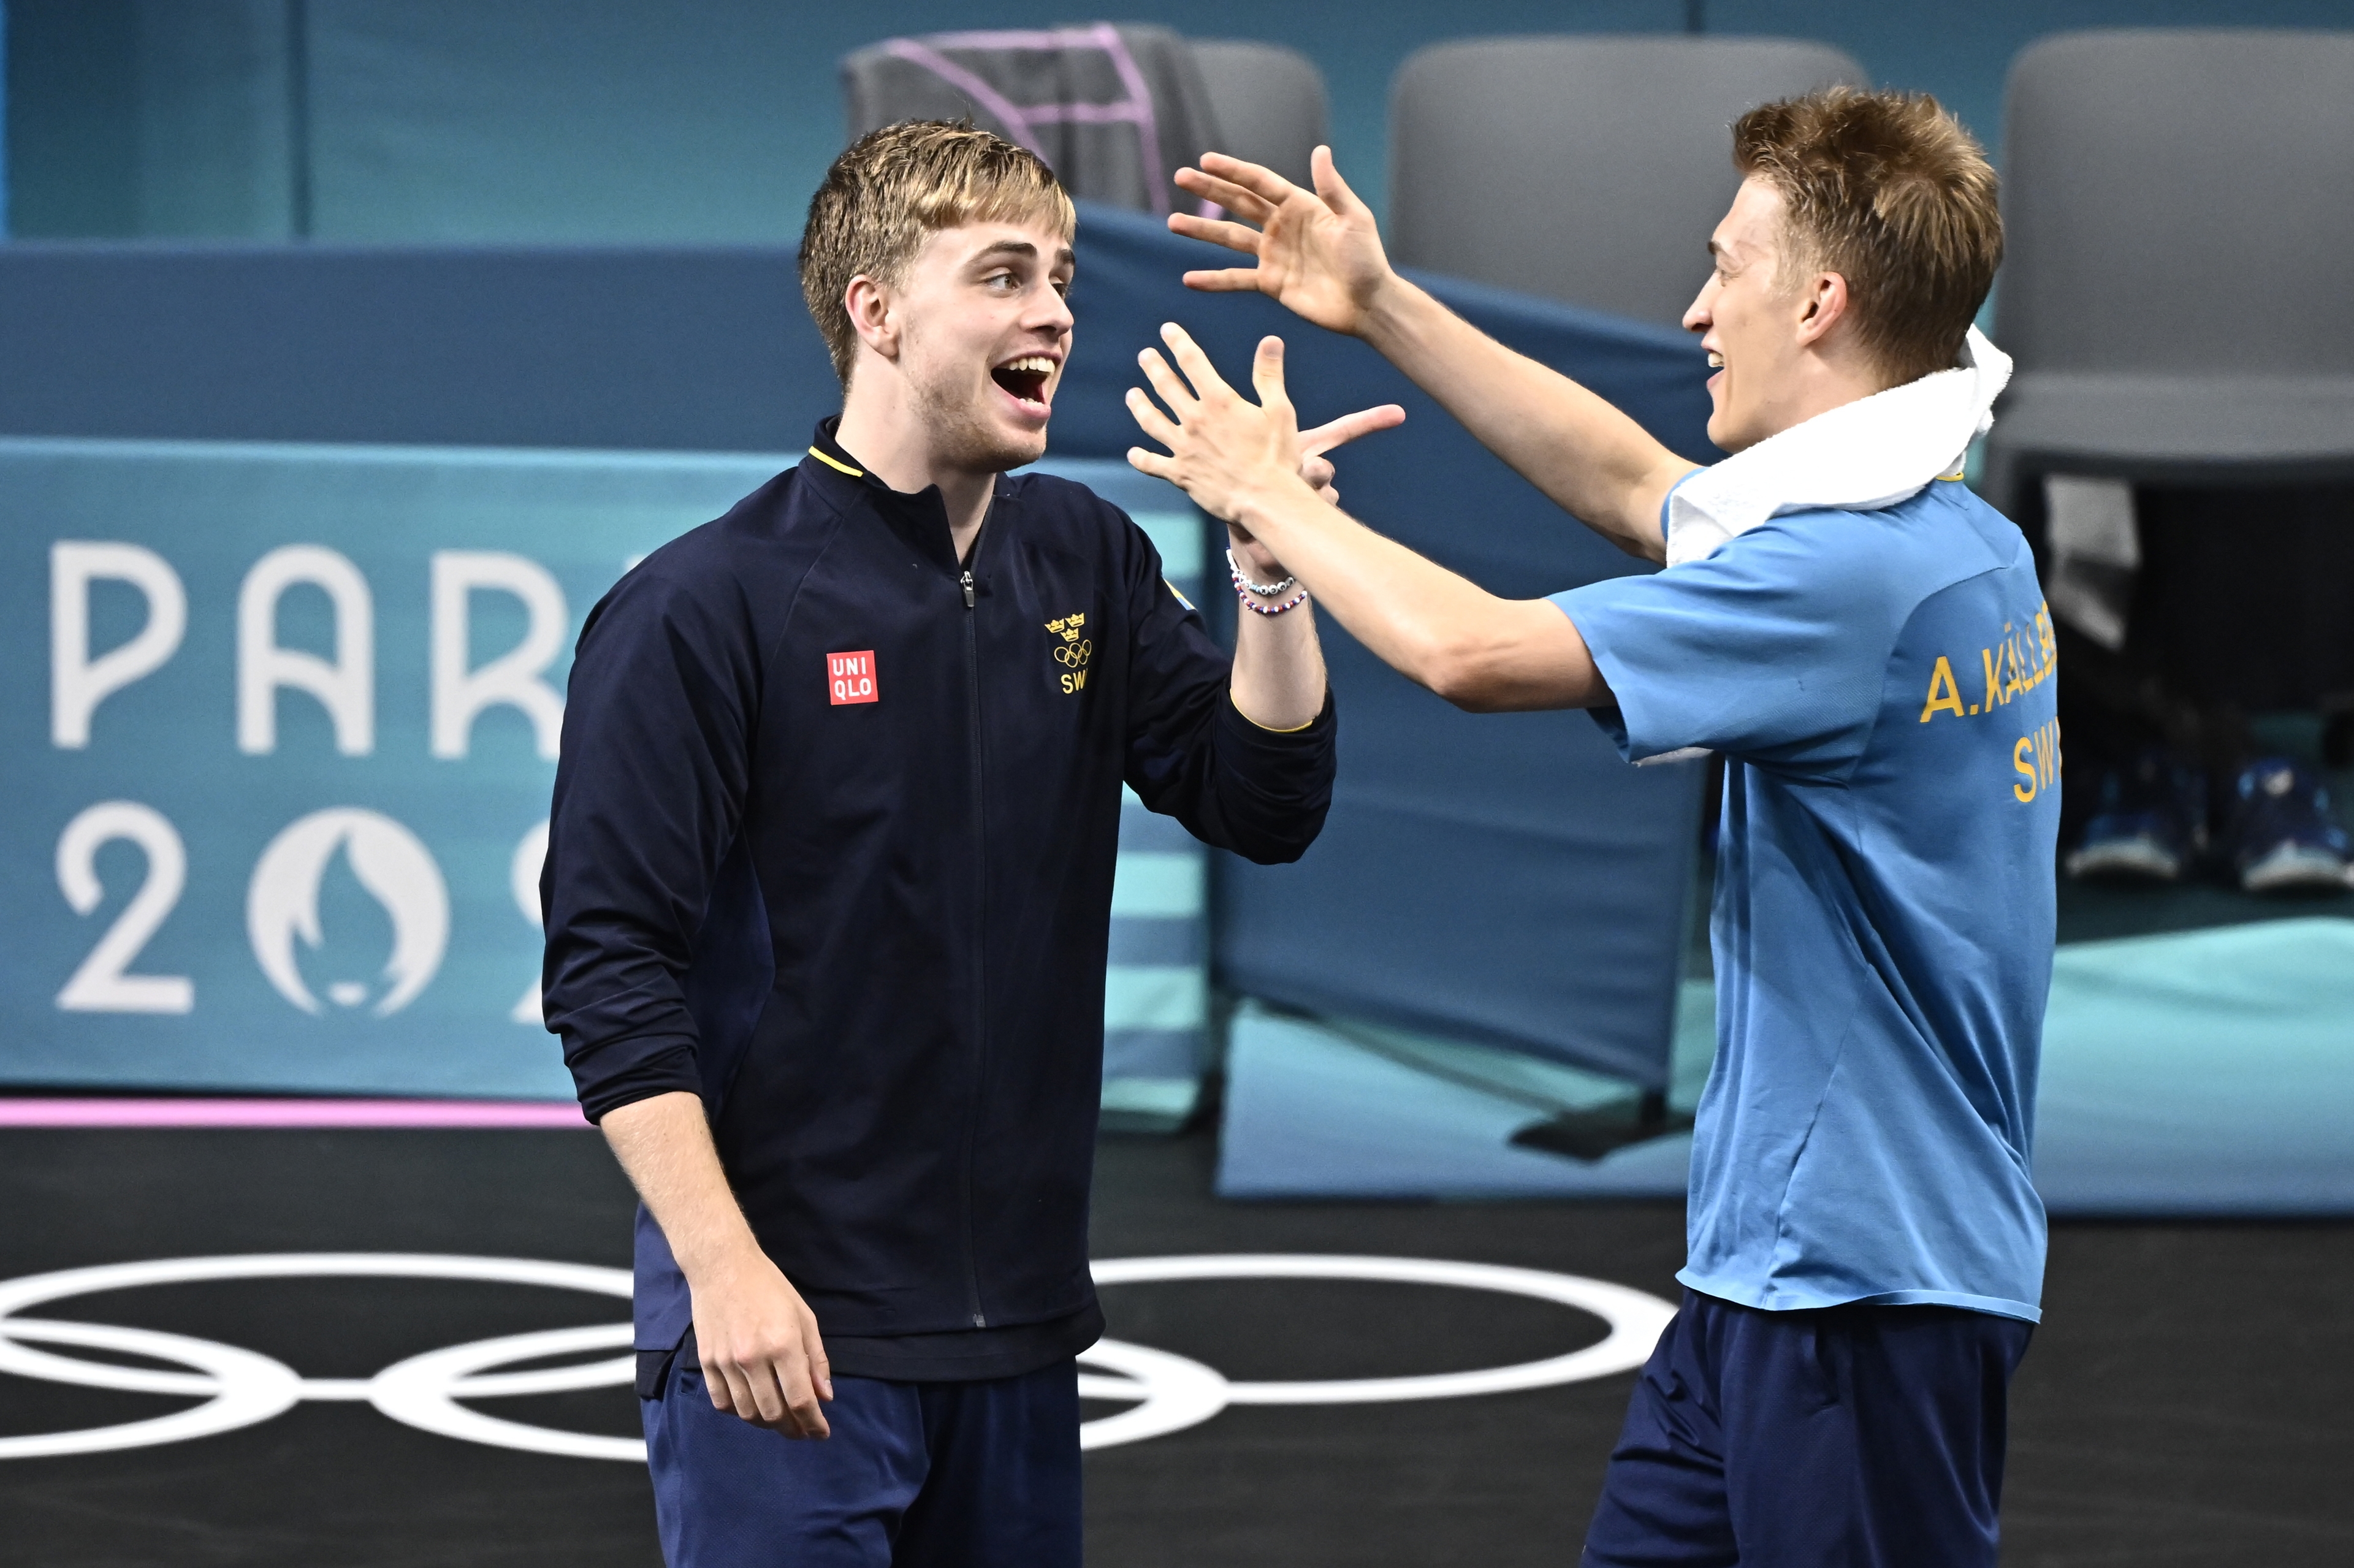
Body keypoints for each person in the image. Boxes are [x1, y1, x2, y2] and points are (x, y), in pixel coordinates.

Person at [1127, 89, 2051, 1566]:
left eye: (1725, 270)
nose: (1695, 311)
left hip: (1871, 1292)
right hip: (1771, 1276)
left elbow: (1472, 655)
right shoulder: (1950, 536)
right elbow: (1634, 489)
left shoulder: (1843, 586)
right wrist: (1378, 304)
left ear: (1820, 302)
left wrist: (1264, 502)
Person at [540, 120, 1393, 1567]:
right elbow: (608, 975)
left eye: (1059, 275)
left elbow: (1265, 801)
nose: (1055, 310)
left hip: (1018, 1336)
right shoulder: (703, 608)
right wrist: (723, 1269)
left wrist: (1269, 568)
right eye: (1003, 275)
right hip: (788, 1335)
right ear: (873, 312)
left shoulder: (1090, 559)